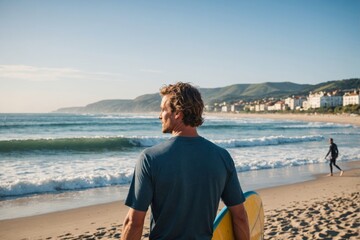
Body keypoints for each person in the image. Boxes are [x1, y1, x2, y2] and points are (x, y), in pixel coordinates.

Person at [121, 82, 250, 240]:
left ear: (178, 113)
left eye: (163, 109)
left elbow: (134, 222)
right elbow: (240, 216)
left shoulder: (150, 158)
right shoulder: (222, 156)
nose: (160, 115)